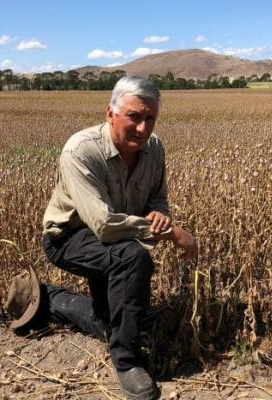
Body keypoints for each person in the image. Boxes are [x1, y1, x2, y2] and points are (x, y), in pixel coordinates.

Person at [40, 76, 198, 400]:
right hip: (69, 237)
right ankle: (127, 362)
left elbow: (157, 197)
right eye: (134, 117)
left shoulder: (154, 149)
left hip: (116, 236)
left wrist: (159, 215)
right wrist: (172, 233)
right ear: (110, 113)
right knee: (133, 259)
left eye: (149, 118)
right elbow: (103, 225)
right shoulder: (80, 151)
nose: (142, 128)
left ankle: (49, 300)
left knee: (109, 320)